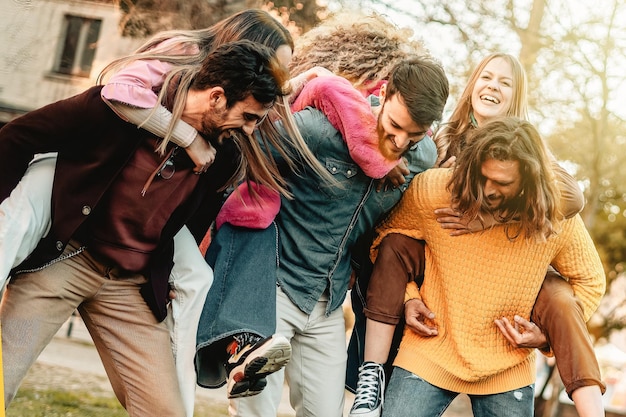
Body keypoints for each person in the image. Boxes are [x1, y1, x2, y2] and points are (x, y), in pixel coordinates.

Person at [0, 9, 334, 416]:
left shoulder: (224, 157)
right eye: (246, 116)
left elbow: (190, 228)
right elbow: (17, 137)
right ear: (217, 96)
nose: (250, 130)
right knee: (2, 380)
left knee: (166, 412)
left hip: (128, 288)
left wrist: (168, 273)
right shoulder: (120, 110)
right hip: (65, 261)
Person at [347, 53, 606, 417]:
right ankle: (369, 377)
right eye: (487, 77)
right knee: (392, 246)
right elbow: (396, 223)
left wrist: (493, 216)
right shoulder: (437, 147)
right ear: (472, 85)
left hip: (506, 315)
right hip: (437, 292)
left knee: (559, 297)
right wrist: (410, 296)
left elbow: (571, 200)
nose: (493, 87)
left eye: (505, 83)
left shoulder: (535, 158)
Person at [201, 52, 448, 416]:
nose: (398, 142)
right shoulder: (321, 128)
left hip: (330, 300)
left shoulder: (422, 157)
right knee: (256, 411)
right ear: (386, 91)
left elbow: (393, 221)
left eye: (411, 137)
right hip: (273, 285)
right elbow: (246, 147)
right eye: (394, 126)